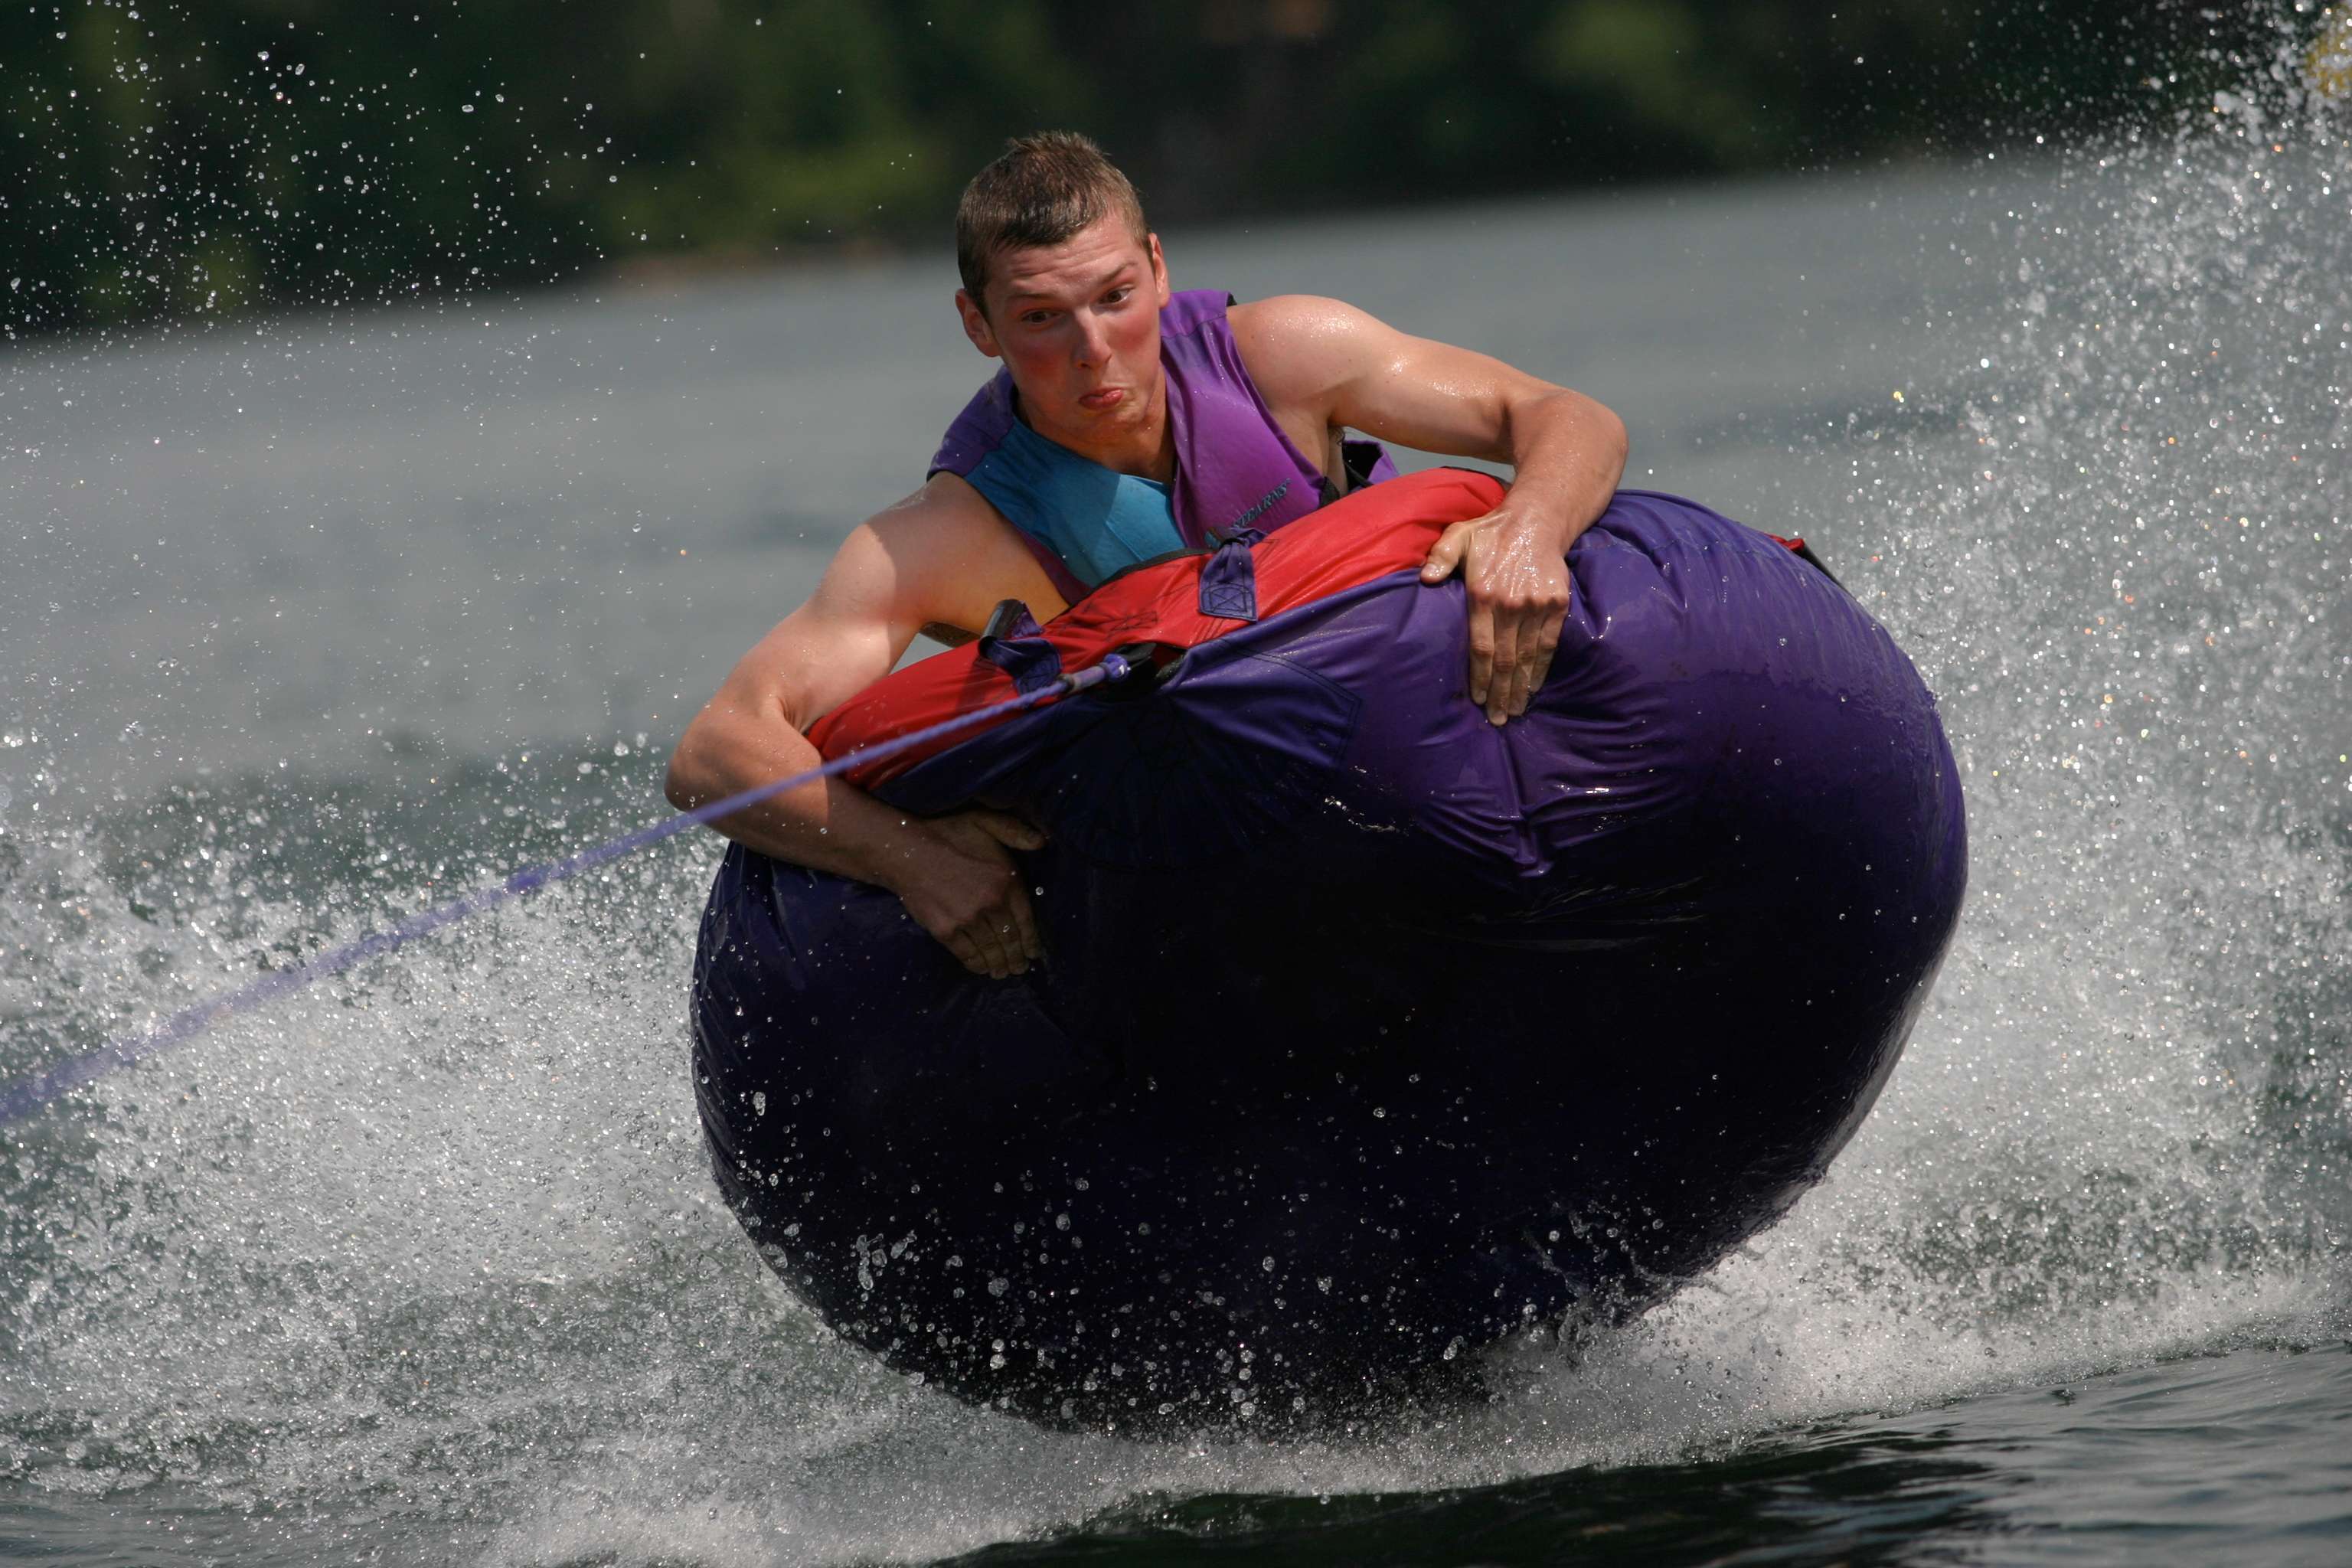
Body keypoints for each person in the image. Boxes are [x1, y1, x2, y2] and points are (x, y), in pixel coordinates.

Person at [666, 131, 1628, 982]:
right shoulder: (948, 532)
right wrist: (915, 855)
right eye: (1043, 318)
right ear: (978, 325)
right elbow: (717, 750)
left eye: (1116, 297)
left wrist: (1529, 529)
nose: (1095, 349)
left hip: (1432, 765)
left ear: (1158, 269)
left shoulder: (1285, 357)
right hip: (1219, 870)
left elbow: (1561, 416)